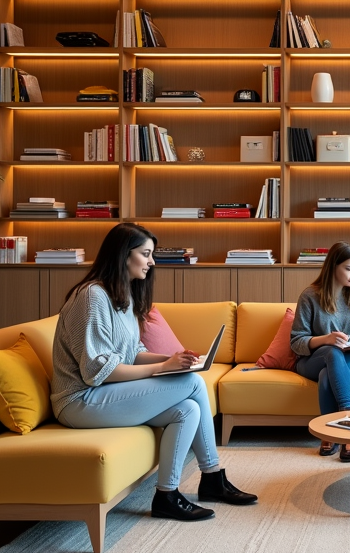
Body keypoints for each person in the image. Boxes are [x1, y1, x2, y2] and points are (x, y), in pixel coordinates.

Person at [51, 223, 257, 523]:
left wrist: (173, 357)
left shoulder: (123, 296)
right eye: (146, 254)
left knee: (186, 409)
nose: (152, 262)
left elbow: (131, 352)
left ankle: (168, 494)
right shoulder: (91, 297)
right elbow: (98, 371)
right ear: (124, 255)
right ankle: (212, 477)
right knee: (192, 383)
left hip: (103, 394)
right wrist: (163, 368)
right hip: (79, 401)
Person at [291, 241, 350, 462]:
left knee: (327, 376)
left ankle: (329, 432)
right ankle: (349, 423)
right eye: (349, 268)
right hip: (314, 359)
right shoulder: (310, 296)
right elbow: (296, 342)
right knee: (331, 352)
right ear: (333, 267)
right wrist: (326, 340)